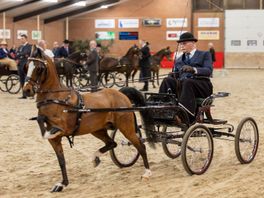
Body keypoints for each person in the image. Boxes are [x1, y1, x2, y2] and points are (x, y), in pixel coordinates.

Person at [159, 32, 213, 123]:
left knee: (187, 82)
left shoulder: (204, 54)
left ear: (193, 43)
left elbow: (208, 71)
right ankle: (163, 108)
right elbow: (177, 75)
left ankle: (185, 115)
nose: (181, 46)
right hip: (184, 86)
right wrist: (173, 75)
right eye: (180, 44)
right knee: (167, 80)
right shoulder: (179, 59)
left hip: (202, 86)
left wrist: (194, 69)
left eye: (184, 43)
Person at [16, 34, 32, 99]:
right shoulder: (20, 47)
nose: (21, 40)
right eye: (20, 38)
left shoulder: (29, 46)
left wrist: (20, 54)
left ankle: (29, 93)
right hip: (20, 65)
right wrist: (21, 54)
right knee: (22, 80)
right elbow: (17, 54)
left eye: (22, 38)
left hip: (26, 65)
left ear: (26, 39)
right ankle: (24, 95)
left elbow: (27, 53)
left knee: (26, 80)